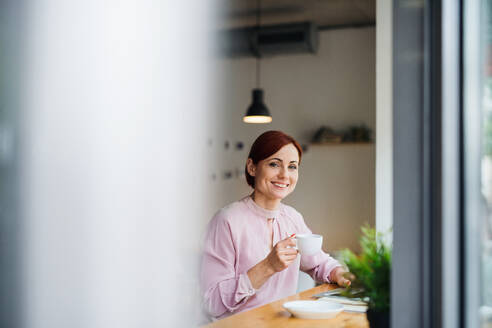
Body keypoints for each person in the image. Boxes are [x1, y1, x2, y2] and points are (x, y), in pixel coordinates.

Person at [200, 130, 351, 320]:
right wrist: (268, 266)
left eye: (292, 167)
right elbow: (211, 303)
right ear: (252, 167)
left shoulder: (292, 218)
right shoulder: (226, 221)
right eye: (274, 164)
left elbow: (319, 262)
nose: (284, 175)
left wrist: (340, 273)